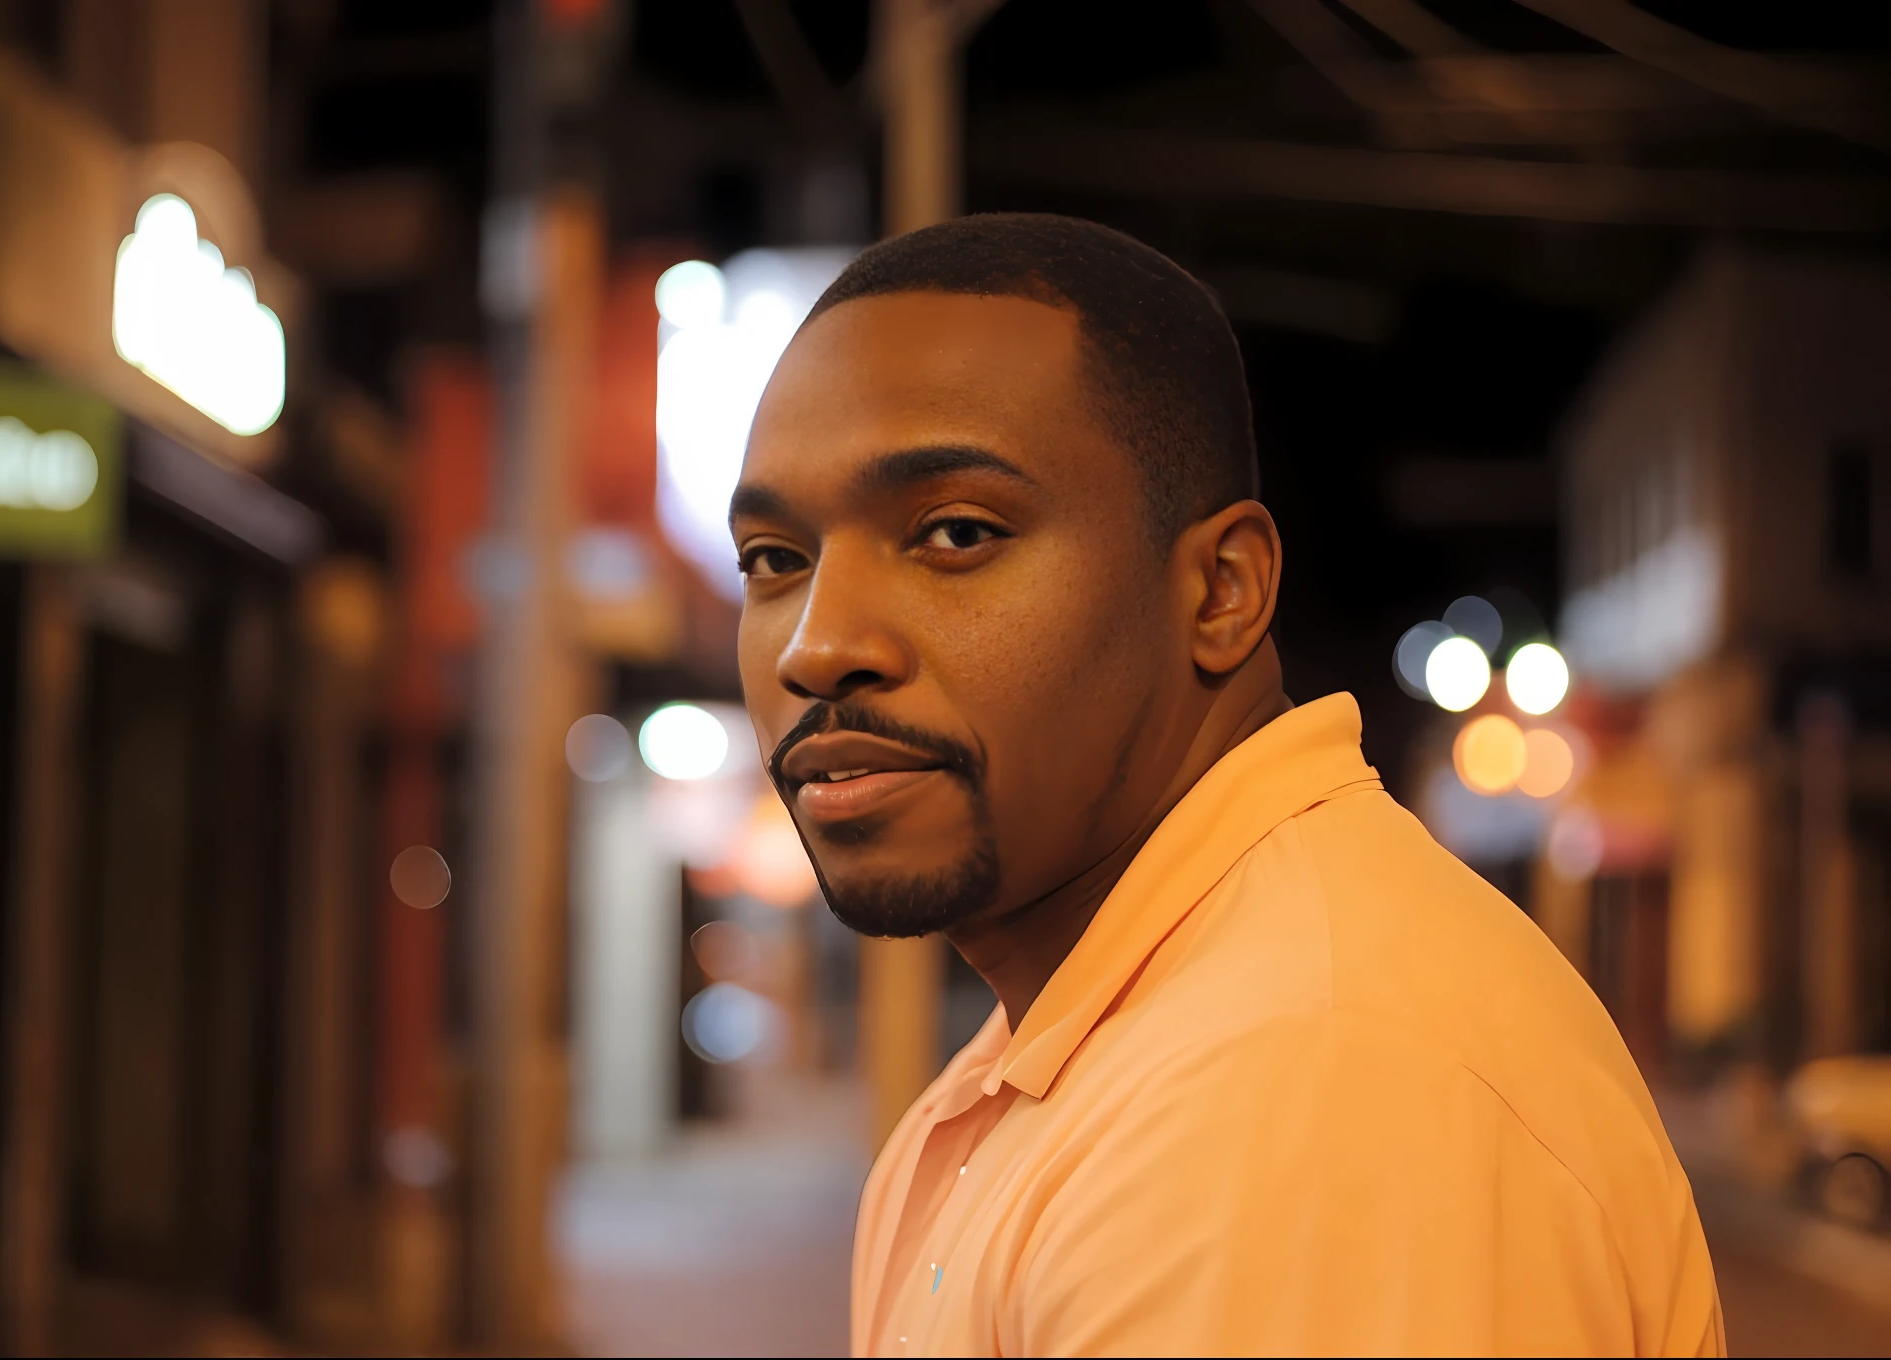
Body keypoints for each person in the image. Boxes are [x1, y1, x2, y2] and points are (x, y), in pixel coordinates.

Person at [729, 213, 1722, 1357]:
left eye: (955, 532)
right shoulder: (1111, 1036)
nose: (813, 644)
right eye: (773, 560)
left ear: (1219, 591)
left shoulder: (1298, 1075)